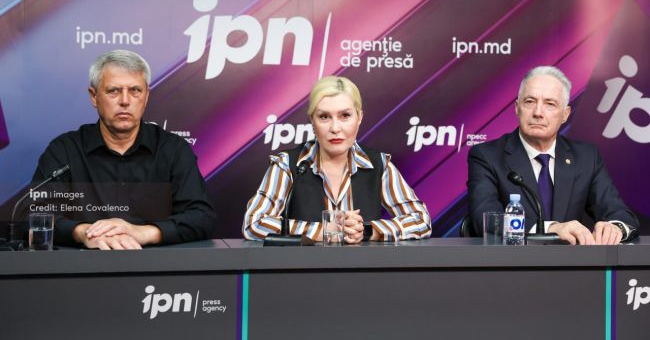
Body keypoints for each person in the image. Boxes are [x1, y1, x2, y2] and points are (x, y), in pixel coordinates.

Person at [32, 50, 215, 250]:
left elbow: (202, 217)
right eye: (114, 91)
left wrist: (144, 232)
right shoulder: (65, 150)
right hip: (83, 265)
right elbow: (32, 214)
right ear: (94, 96)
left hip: (156, 266)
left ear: (146, 96)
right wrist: (84, 232)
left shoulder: (173, 150)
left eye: (135, 90)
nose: (125, 101)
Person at [243, 76, 431, 243]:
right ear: (312, 121)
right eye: (324, 117)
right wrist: (324, 230)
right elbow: (253, 223)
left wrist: (369, 231)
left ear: (359, 117)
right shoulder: (287, 164)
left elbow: (421, 220)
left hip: (363, 270)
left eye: (345, 116)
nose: (335, 128)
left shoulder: (379, 165)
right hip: (302, 270)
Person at [467, 66, 638, 245]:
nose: (538, 113)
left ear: (565, 114)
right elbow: (486, 221)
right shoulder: (487, 156)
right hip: (512, 261)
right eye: (530, 102)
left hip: (570, 262)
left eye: (550, 104)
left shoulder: (587, 157)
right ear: (517, 108)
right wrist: (551, 229)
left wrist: (615, 228)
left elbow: (621, 215)